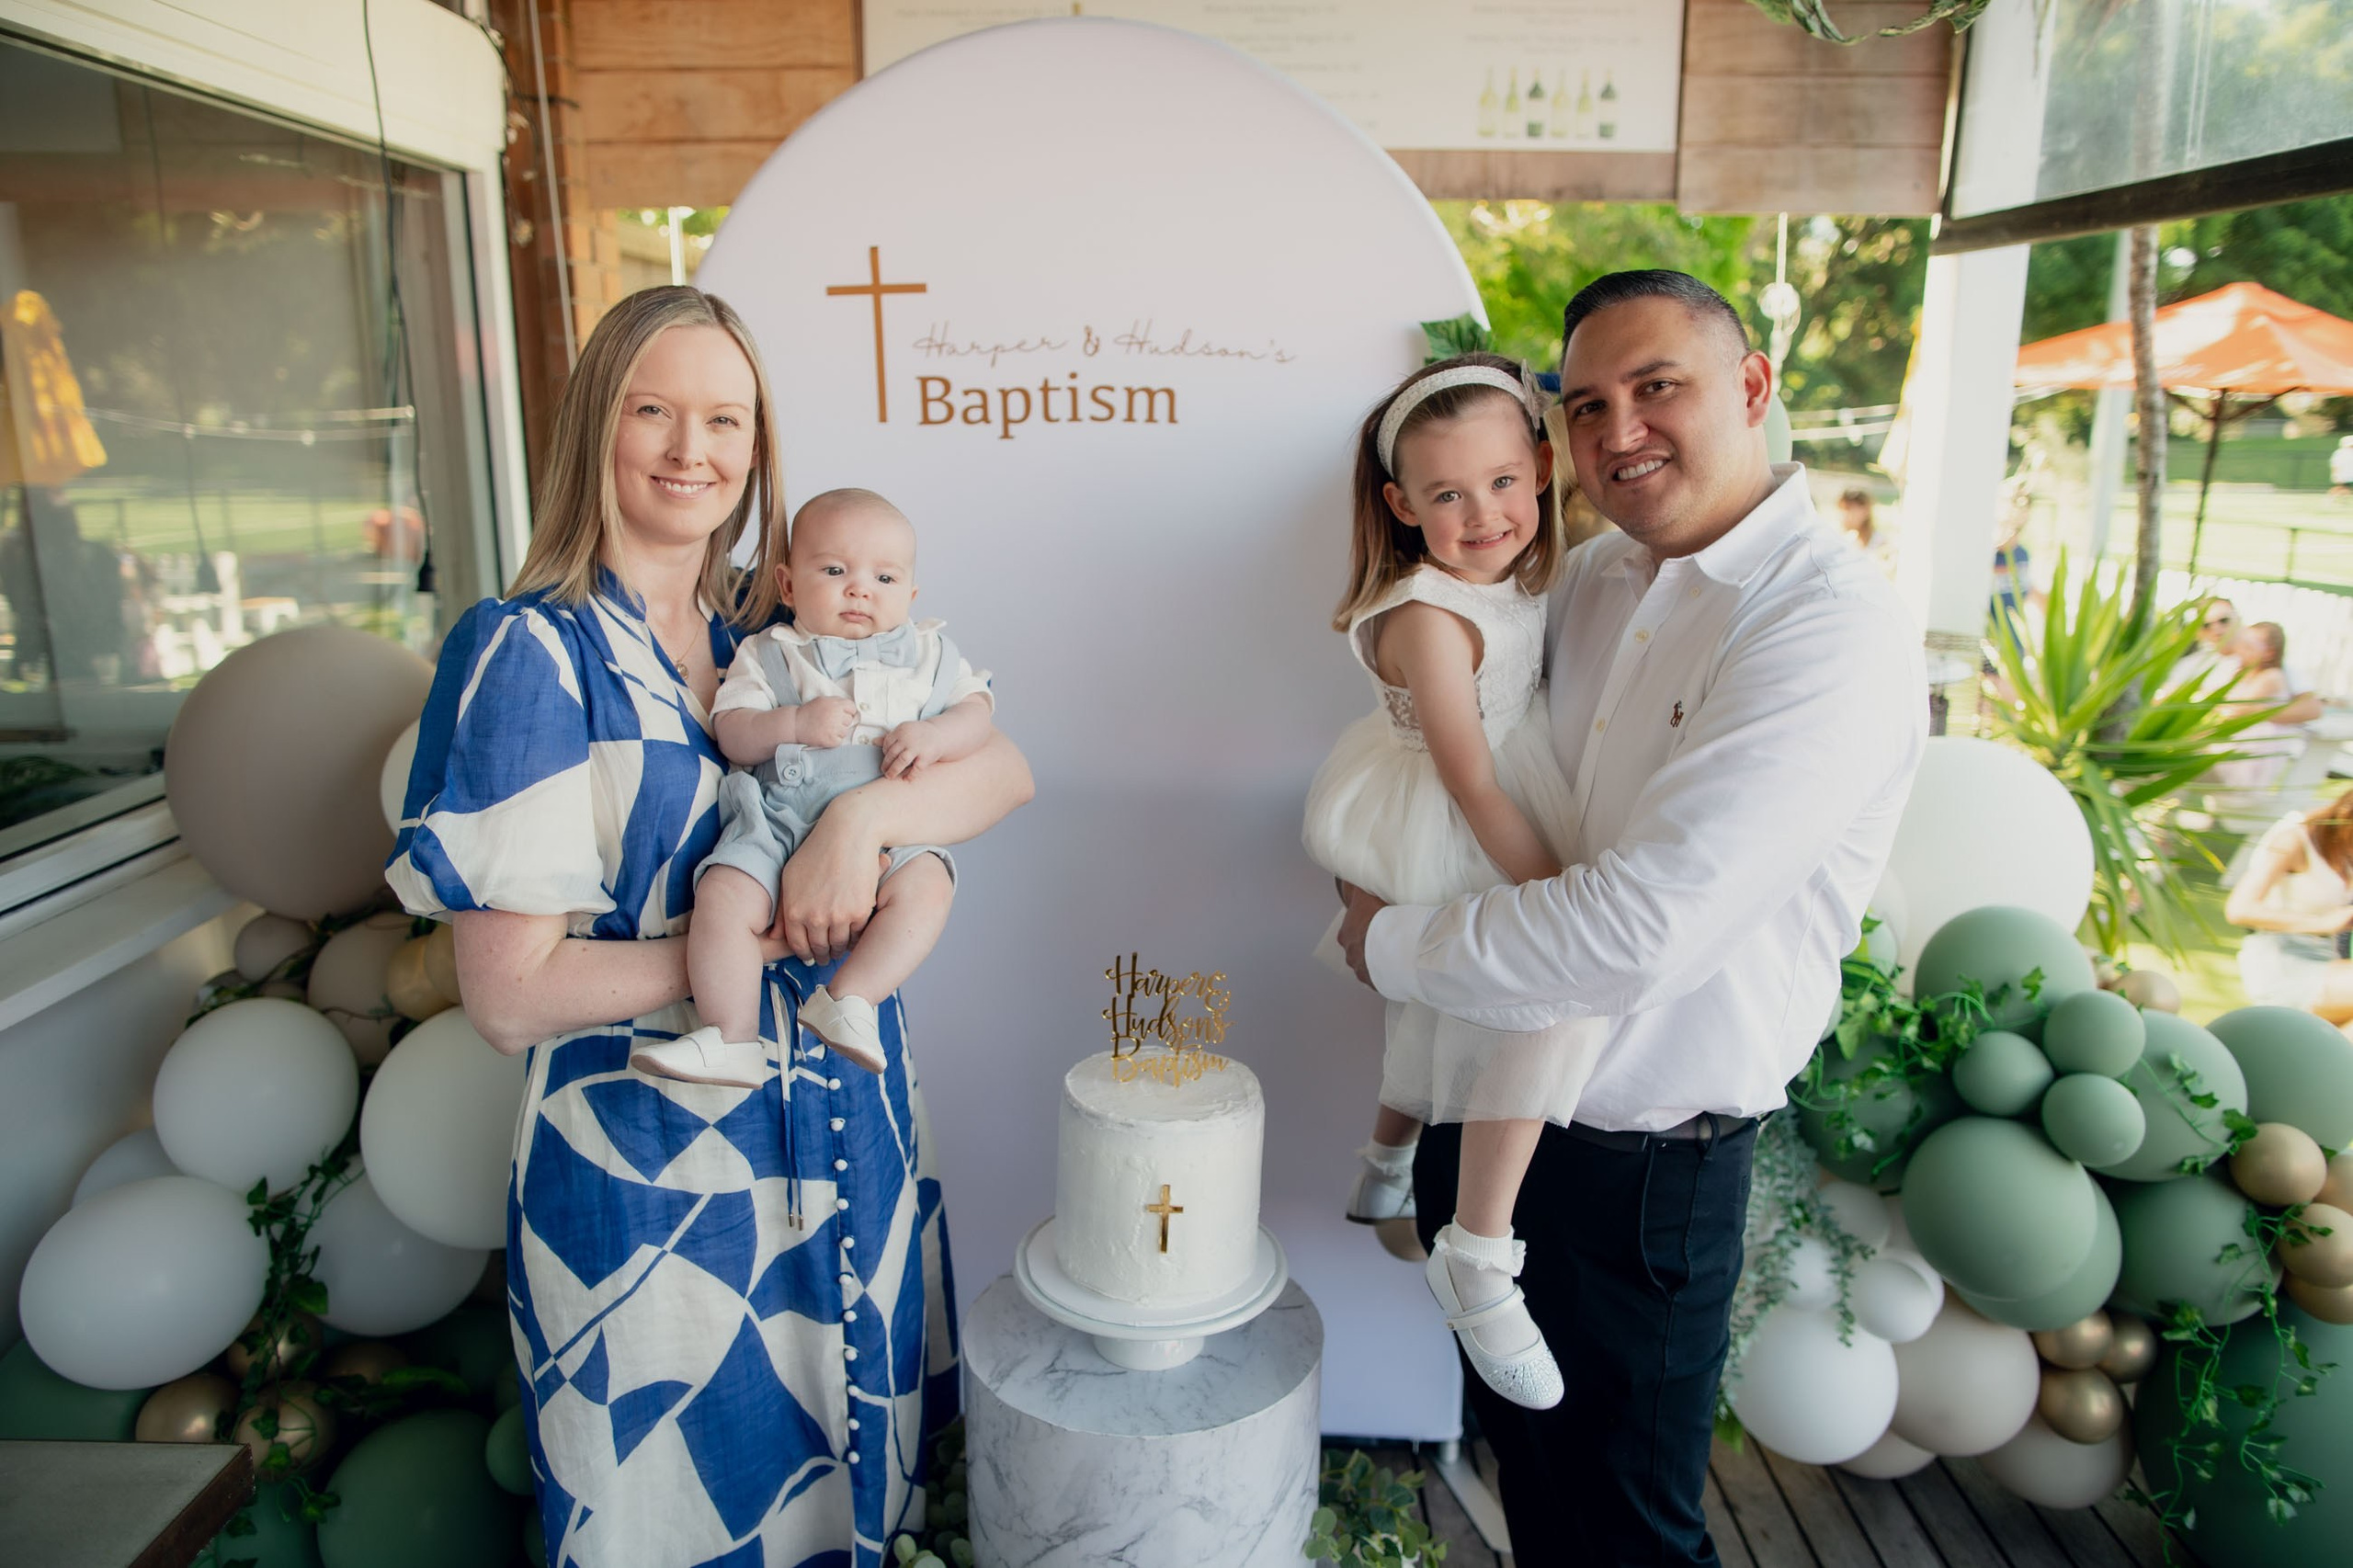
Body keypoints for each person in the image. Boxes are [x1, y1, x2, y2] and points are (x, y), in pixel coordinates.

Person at [386, 287, 1034, 1566]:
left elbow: (1004, 769)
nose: (694, 449)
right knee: (683, 1519)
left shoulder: (776, 622)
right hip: (658, 1189)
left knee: (857, 1500)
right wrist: (748, 943)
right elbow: (510, 994)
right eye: (654, 411)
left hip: (843, 1127)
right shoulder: (532, 652)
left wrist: (858, 831)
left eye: (724, 417)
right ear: (594, 429)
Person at [1336, 271, 1925, 1565]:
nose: (1619, 431)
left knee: (1629, 1536)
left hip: (1641, 1168)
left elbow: (1629, 934)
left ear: (1755, 384)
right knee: (1534, 1494)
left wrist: (1386, 941)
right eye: (1587, 403)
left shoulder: (1825, 627)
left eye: (1659, 386)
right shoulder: (1588, 578)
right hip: (1483, 1099)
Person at [1302, 352, 1608, 1412]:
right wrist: (1559, 899)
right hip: (1449, 803)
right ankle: (1478, 1254)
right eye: (1446, 494)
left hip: (1501, 782)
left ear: (1538, 465)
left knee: (1449, 1013)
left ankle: (1384, 1159)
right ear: (1400, 505)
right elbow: (1470, 780)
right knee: (1531, 998)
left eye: (1502, 482)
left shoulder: (1528, 574)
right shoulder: (1430, 613)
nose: (1483, 514)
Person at [634, 488, 995, 1085]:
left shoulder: (929, 655)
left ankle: (850, 1000)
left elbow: (978, 712)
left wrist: (934, 737)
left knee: (930, 886)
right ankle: (731, 1036)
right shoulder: (769, 653)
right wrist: (793, 724)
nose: (859, 589)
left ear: (910, 595)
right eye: (834, 570)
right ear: (788, 584)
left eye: (884, 577)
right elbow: (732, 732)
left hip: (889, 823)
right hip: (779, 816)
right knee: (723, 895)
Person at [2226, 786, 2353, 1020]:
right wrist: (2322, 923)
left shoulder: (2346, 850)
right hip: (2283, 962)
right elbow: (2239, 910)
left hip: (2328, 958)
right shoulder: (2295, 840)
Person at [2215, 620, 2325, 790]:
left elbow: (2238, 709)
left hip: (2251, 753)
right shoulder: (2239, 671)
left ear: (2269, 652)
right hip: (2236, 743)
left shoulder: (2272, 676)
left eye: (2249, 646)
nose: (2242, 650)